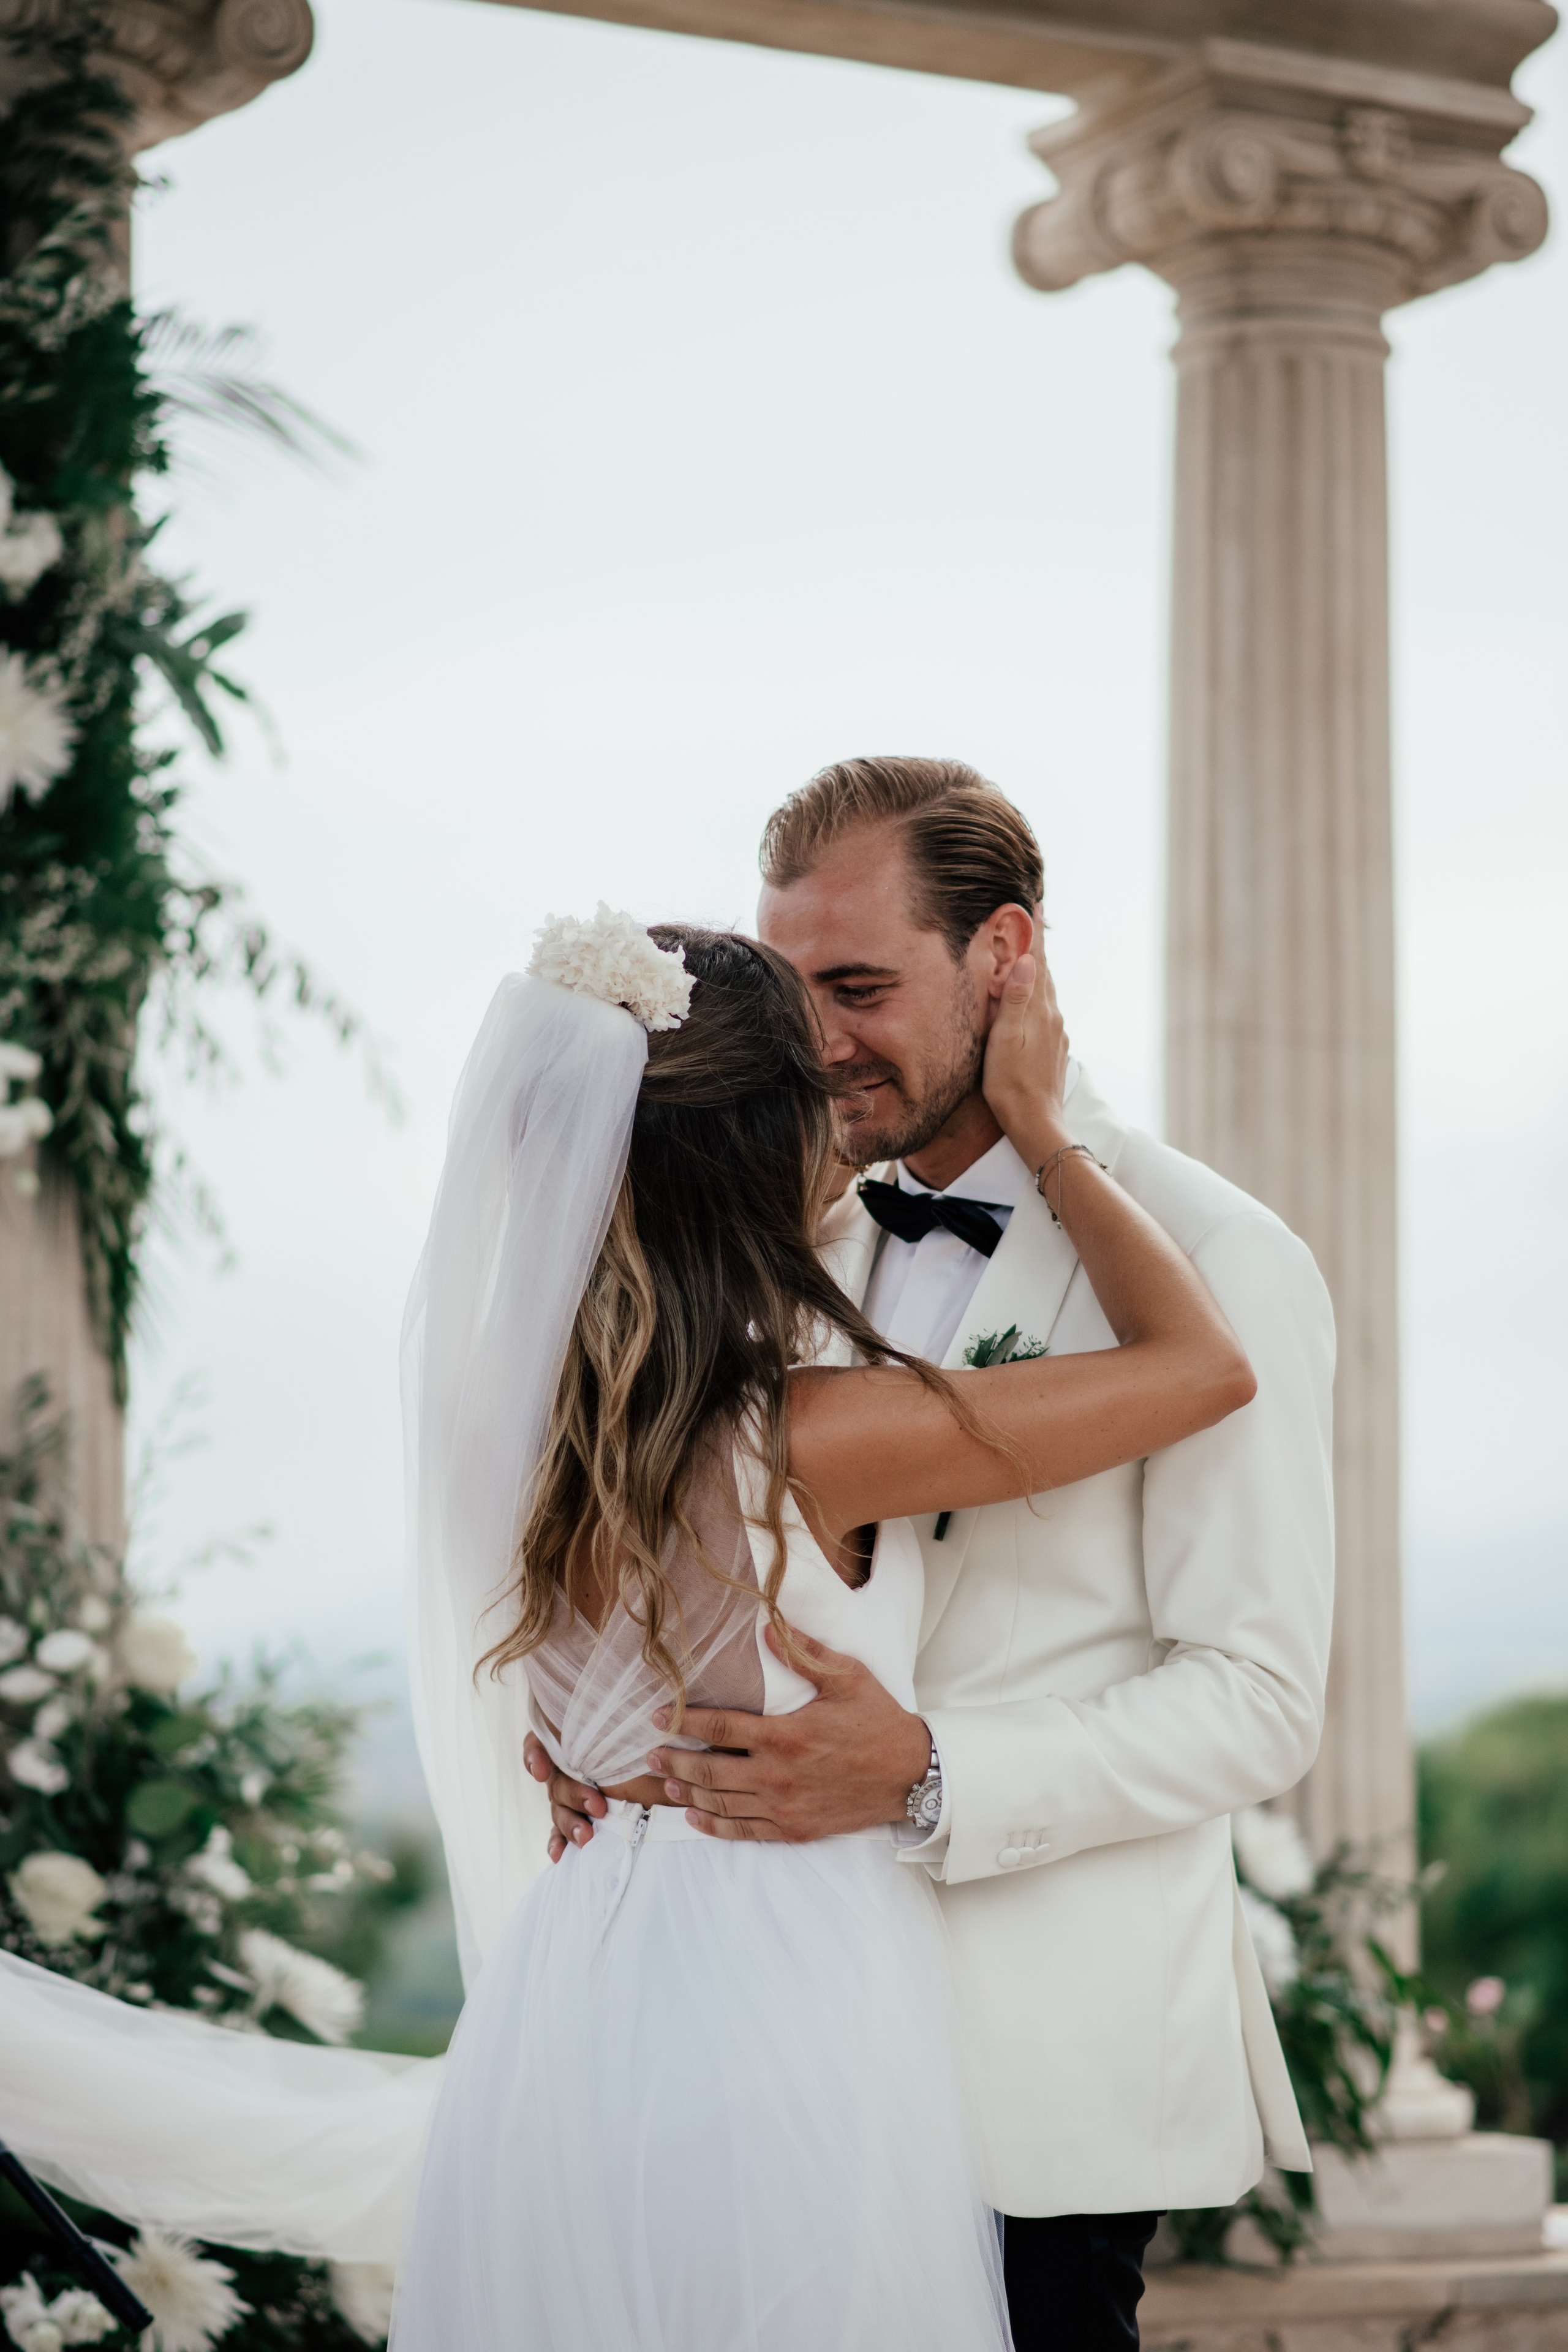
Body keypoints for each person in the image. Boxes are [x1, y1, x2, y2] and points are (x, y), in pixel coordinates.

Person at [535, 760, 1337, 2351]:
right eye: (790, 992)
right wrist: (608, 1728)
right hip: (785, 2051)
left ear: (1004, 956)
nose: (818, 1043)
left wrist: (924, 1772)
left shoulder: (1219, 1257)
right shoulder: (796, 1239)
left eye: (859, 987)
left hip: (1039, 2077)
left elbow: (1258, 1699)